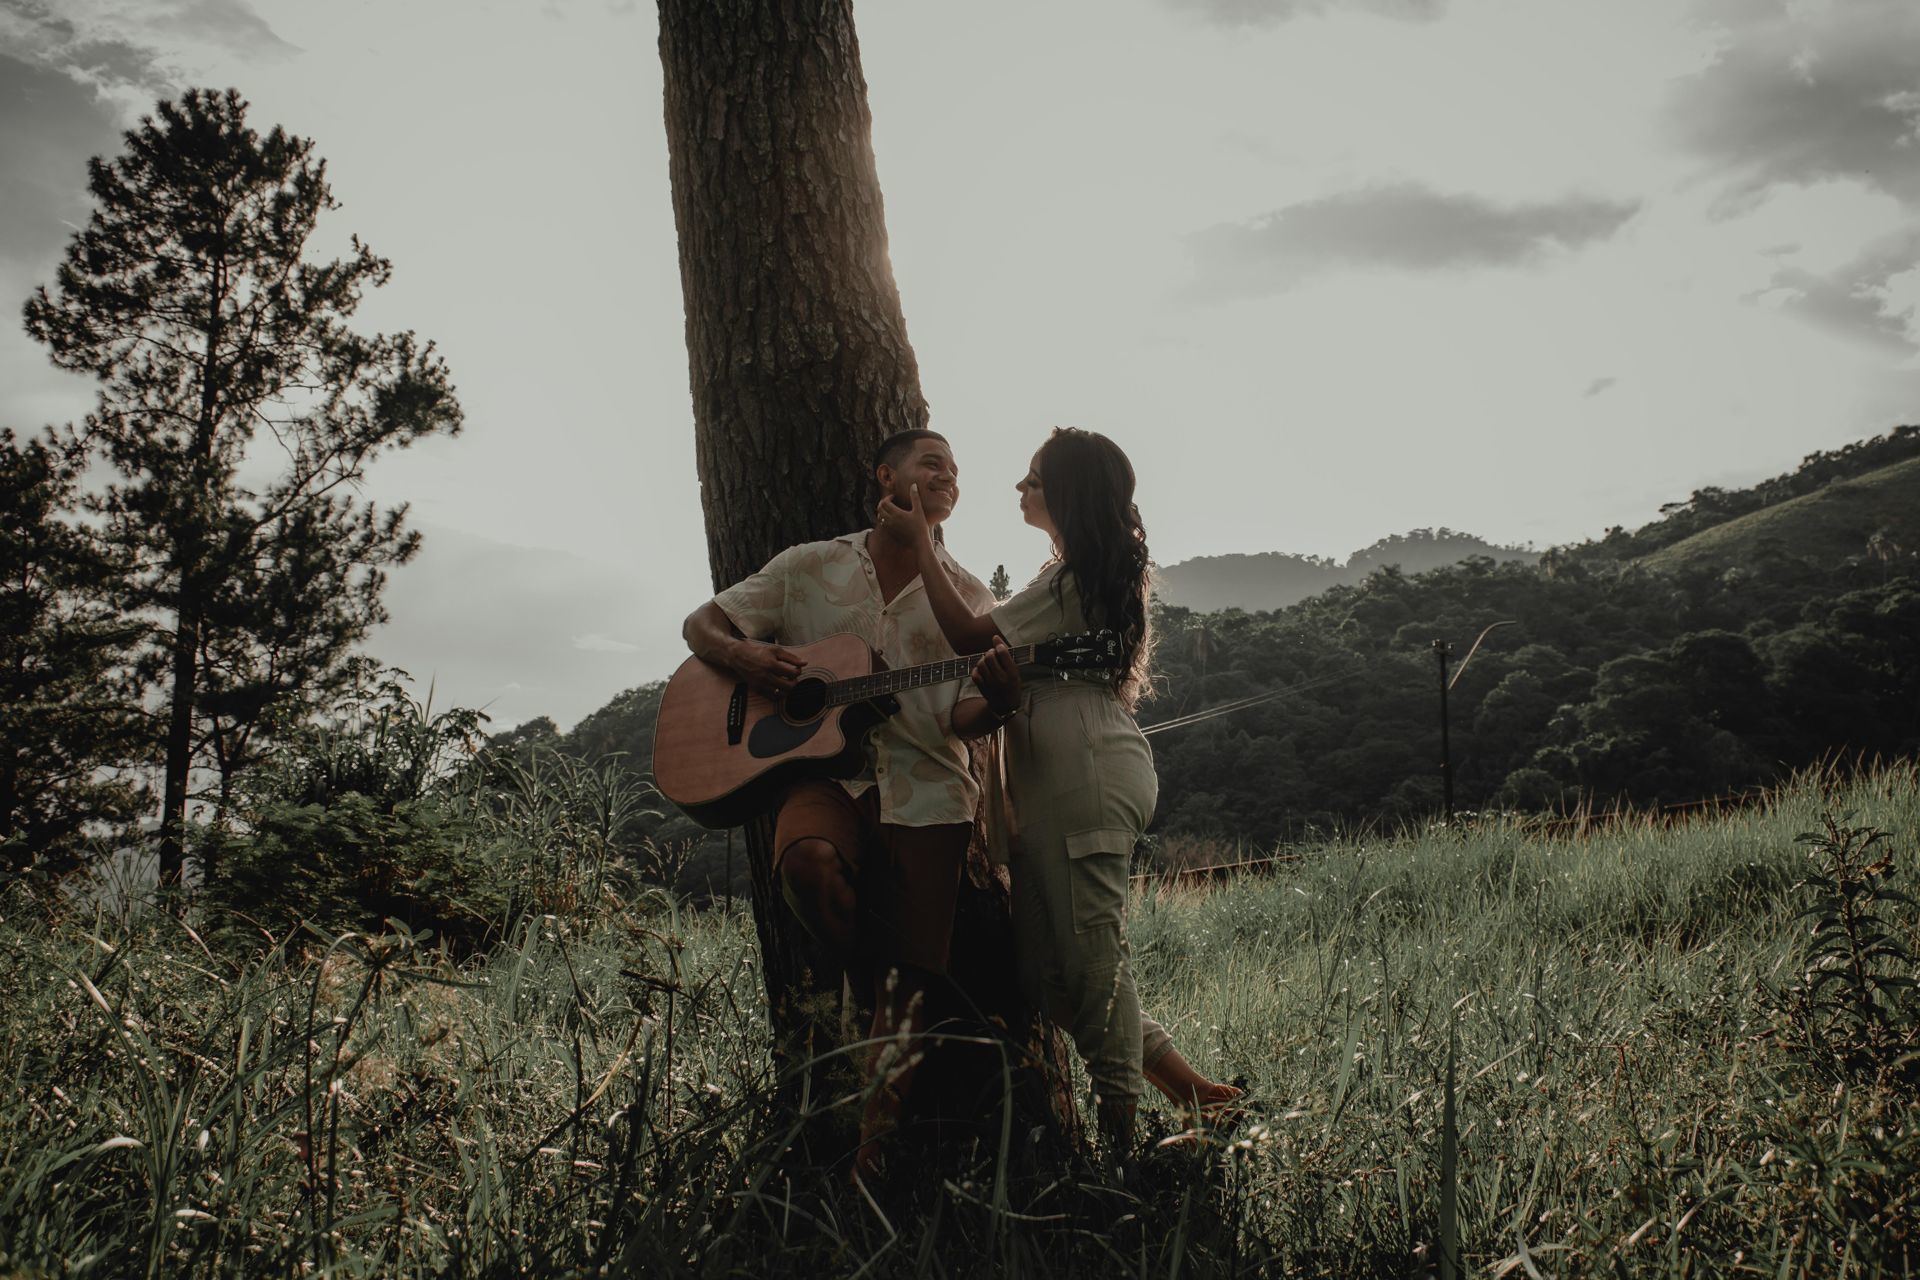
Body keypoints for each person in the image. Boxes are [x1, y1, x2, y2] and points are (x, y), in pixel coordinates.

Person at [877, 426, 1241, 1154]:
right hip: (1048, 779)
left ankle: (1121, 1150)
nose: (1020, 488)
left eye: (1035, 479)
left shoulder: (1073, 580)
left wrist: (920, 545)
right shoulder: (1068, 578)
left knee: (1092, 964)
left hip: (1085, 771)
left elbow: (969, 635)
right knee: (1042, 977)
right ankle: (1195, 1092)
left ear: (1069, 493)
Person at [681, 428, 1021, 1179]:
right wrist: (744, 656)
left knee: (908, 989)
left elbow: (962, 717)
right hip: (826, 780)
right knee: (805, 866)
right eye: (933, 463)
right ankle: (878, 977)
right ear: (885, 477)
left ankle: (873, 1164)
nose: (949, 476)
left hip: (930, 789)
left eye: (957, 471)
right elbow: (701, 625)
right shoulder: (810, 565)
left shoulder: (968, 596)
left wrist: (999, 704)